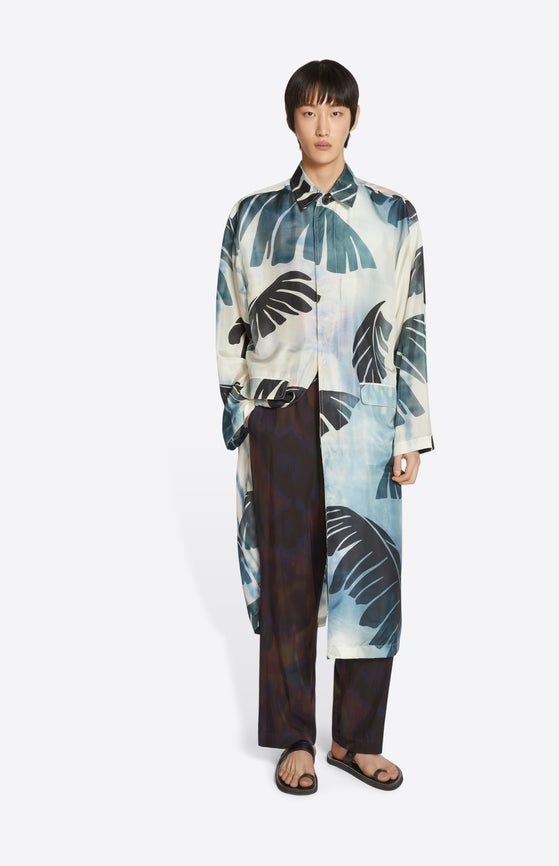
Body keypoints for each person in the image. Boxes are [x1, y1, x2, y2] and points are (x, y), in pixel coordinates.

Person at [216, 59, 434, 794]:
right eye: (309, 112)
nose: (322, 126)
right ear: (291, 120)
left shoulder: (395, 217)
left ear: (353, 119)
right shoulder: (251, 217)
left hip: (365, 419)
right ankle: (294, 739)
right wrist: (242, 409)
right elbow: (231, 318)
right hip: (280, 415)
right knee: (288, 578)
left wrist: (411, 431)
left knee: (369, 577)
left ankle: (356, 741)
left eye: (335, 112)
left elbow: (411, 328)